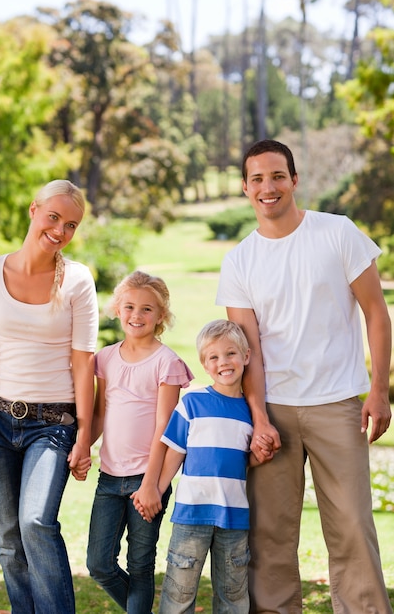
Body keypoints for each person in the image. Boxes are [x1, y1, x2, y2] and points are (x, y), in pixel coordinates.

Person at [216, 138, 393, 614]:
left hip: (338, 404)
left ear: (294, 180)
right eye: (257, 179)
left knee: (353, 527)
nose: (268, 187)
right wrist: (259, 418)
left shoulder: (337, 233)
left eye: (277, 176)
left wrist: (378, 391)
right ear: (245, 188)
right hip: (273, 409)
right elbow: (245, 350)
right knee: (270, 535)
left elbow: (377, 313)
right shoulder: (239, 261)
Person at [0, 179, 99, 614]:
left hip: (54, 424)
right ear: (34, 210)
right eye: (54, 217)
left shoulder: (78, 280)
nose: (60, 230)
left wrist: (85, 434)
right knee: (9, 537)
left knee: (35, 522)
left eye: (71, 224)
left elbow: (84, 363)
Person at [86, 270, 193, 614]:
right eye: (130, 306)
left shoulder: (167, 362)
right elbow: (101, 414)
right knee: (99, 564)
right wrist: (81, 447)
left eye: (147, 309)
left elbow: (165, 426)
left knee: (140, 566)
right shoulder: (104, 358)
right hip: (108, 480)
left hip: (147, 480)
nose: (137, 315)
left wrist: (151, 486)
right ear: (117, 309)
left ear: (161, 316)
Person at [149, 319, 269, 614]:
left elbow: (244, 461)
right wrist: (157, 490)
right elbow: (175, 453)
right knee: (179, 594)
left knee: (233, 597)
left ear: (246, 357)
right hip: (191, 514)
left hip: (234, 517)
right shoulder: (192, 402)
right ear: (204, 364)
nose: (223, 362)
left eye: (230, 354)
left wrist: (259, 457)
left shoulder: (252, 412)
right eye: (213, 357)